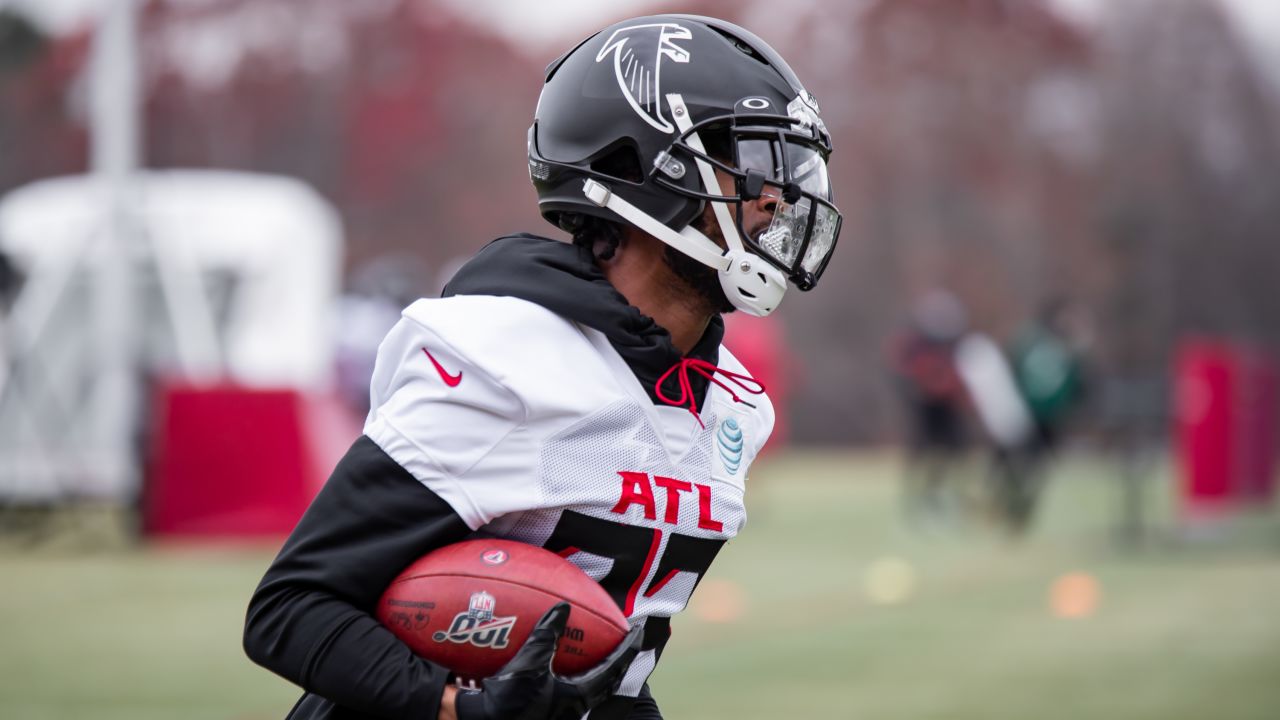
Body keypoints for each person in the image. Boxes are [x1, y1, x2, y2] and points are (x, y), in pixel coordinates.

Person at [243, 14, 842, 720]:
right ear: (644, 171)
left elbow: (610, 670)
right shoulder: (511, 360)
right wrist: (457, 708)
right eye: (749, 164)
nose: (776, 198)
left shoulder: (729, 404)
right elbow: (291, 608)